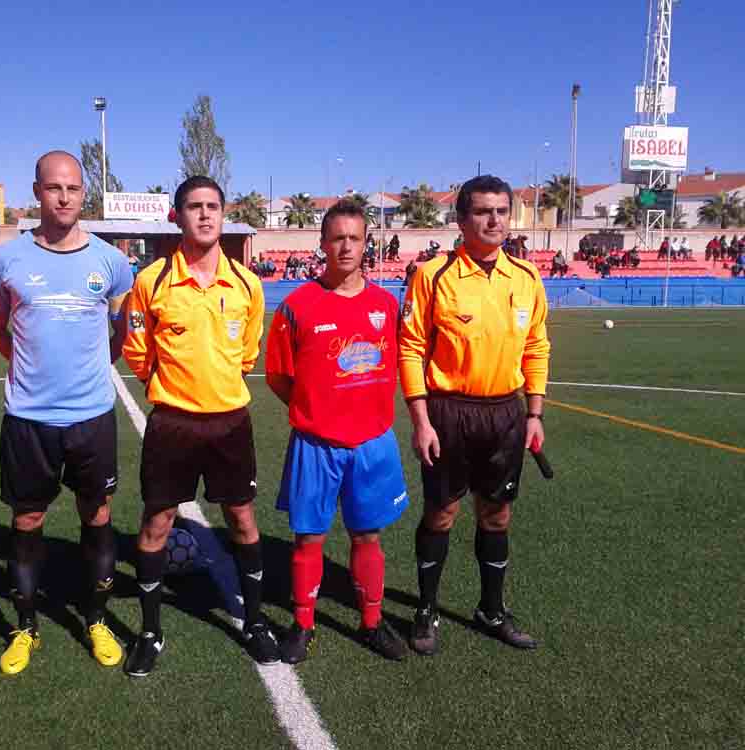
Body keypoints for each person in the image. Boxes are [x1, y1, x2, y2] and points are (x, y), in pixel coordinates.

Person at [0, 151, 134, 675]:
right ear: (37, 192)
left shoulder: (112, 262)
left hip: (92, 416)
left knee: (98, 515)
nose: (64, 197)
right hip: (28, 418)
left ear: (83, 194)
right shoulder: (4, 259)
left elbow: (121, 332)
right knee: (27, 519)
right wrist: (27, 364)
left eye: (72, 188)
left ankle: (96, 619)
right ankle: (25, 627)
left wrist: (88, 370)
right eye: (53, 188)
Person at [122, 175, 276, 677]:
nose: (205, 214)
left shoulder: (247, 284)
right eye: (194, 206)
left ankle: (254, 621)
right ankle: (150, 631)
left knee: (243, 519)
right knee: (157, 523)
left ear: (224, 214)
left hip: (230, 423)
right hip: (173, 424)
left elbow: (248, 353)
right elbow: (138, 353)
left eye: (213, 206)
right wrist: (173, 392)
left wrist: (216, 389)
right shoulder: (151, 282)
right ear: (178, 216)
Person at [398, 174, 550, 656]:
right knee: (441, 513)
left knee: (497, 515)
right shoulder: (433, 275)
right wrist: (421, 420)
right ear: (462, 220)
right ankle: (426, 608)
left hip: (505, 413)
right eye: (483, 211)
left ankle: (492, 609)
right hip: (449, 413)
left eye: (502, 211)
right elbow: (410, 348)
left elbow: (537, 347)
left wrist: (534, 413)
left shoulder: (526, 278)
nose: (494, 220)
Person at [266, 201, 410, 663]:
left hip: (372, 443)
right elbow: (278, 376)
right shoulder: (296, 306)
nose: (346, 246)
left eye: (354, 238)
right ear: (323, 244)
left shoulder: (386, 304)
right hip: (316, 445)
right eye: (337, 238)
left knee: (367, 536)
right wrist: (314, 410)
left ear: (366, 243)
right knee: (309, 538)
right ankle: (303, 623)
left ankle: (372, 622)